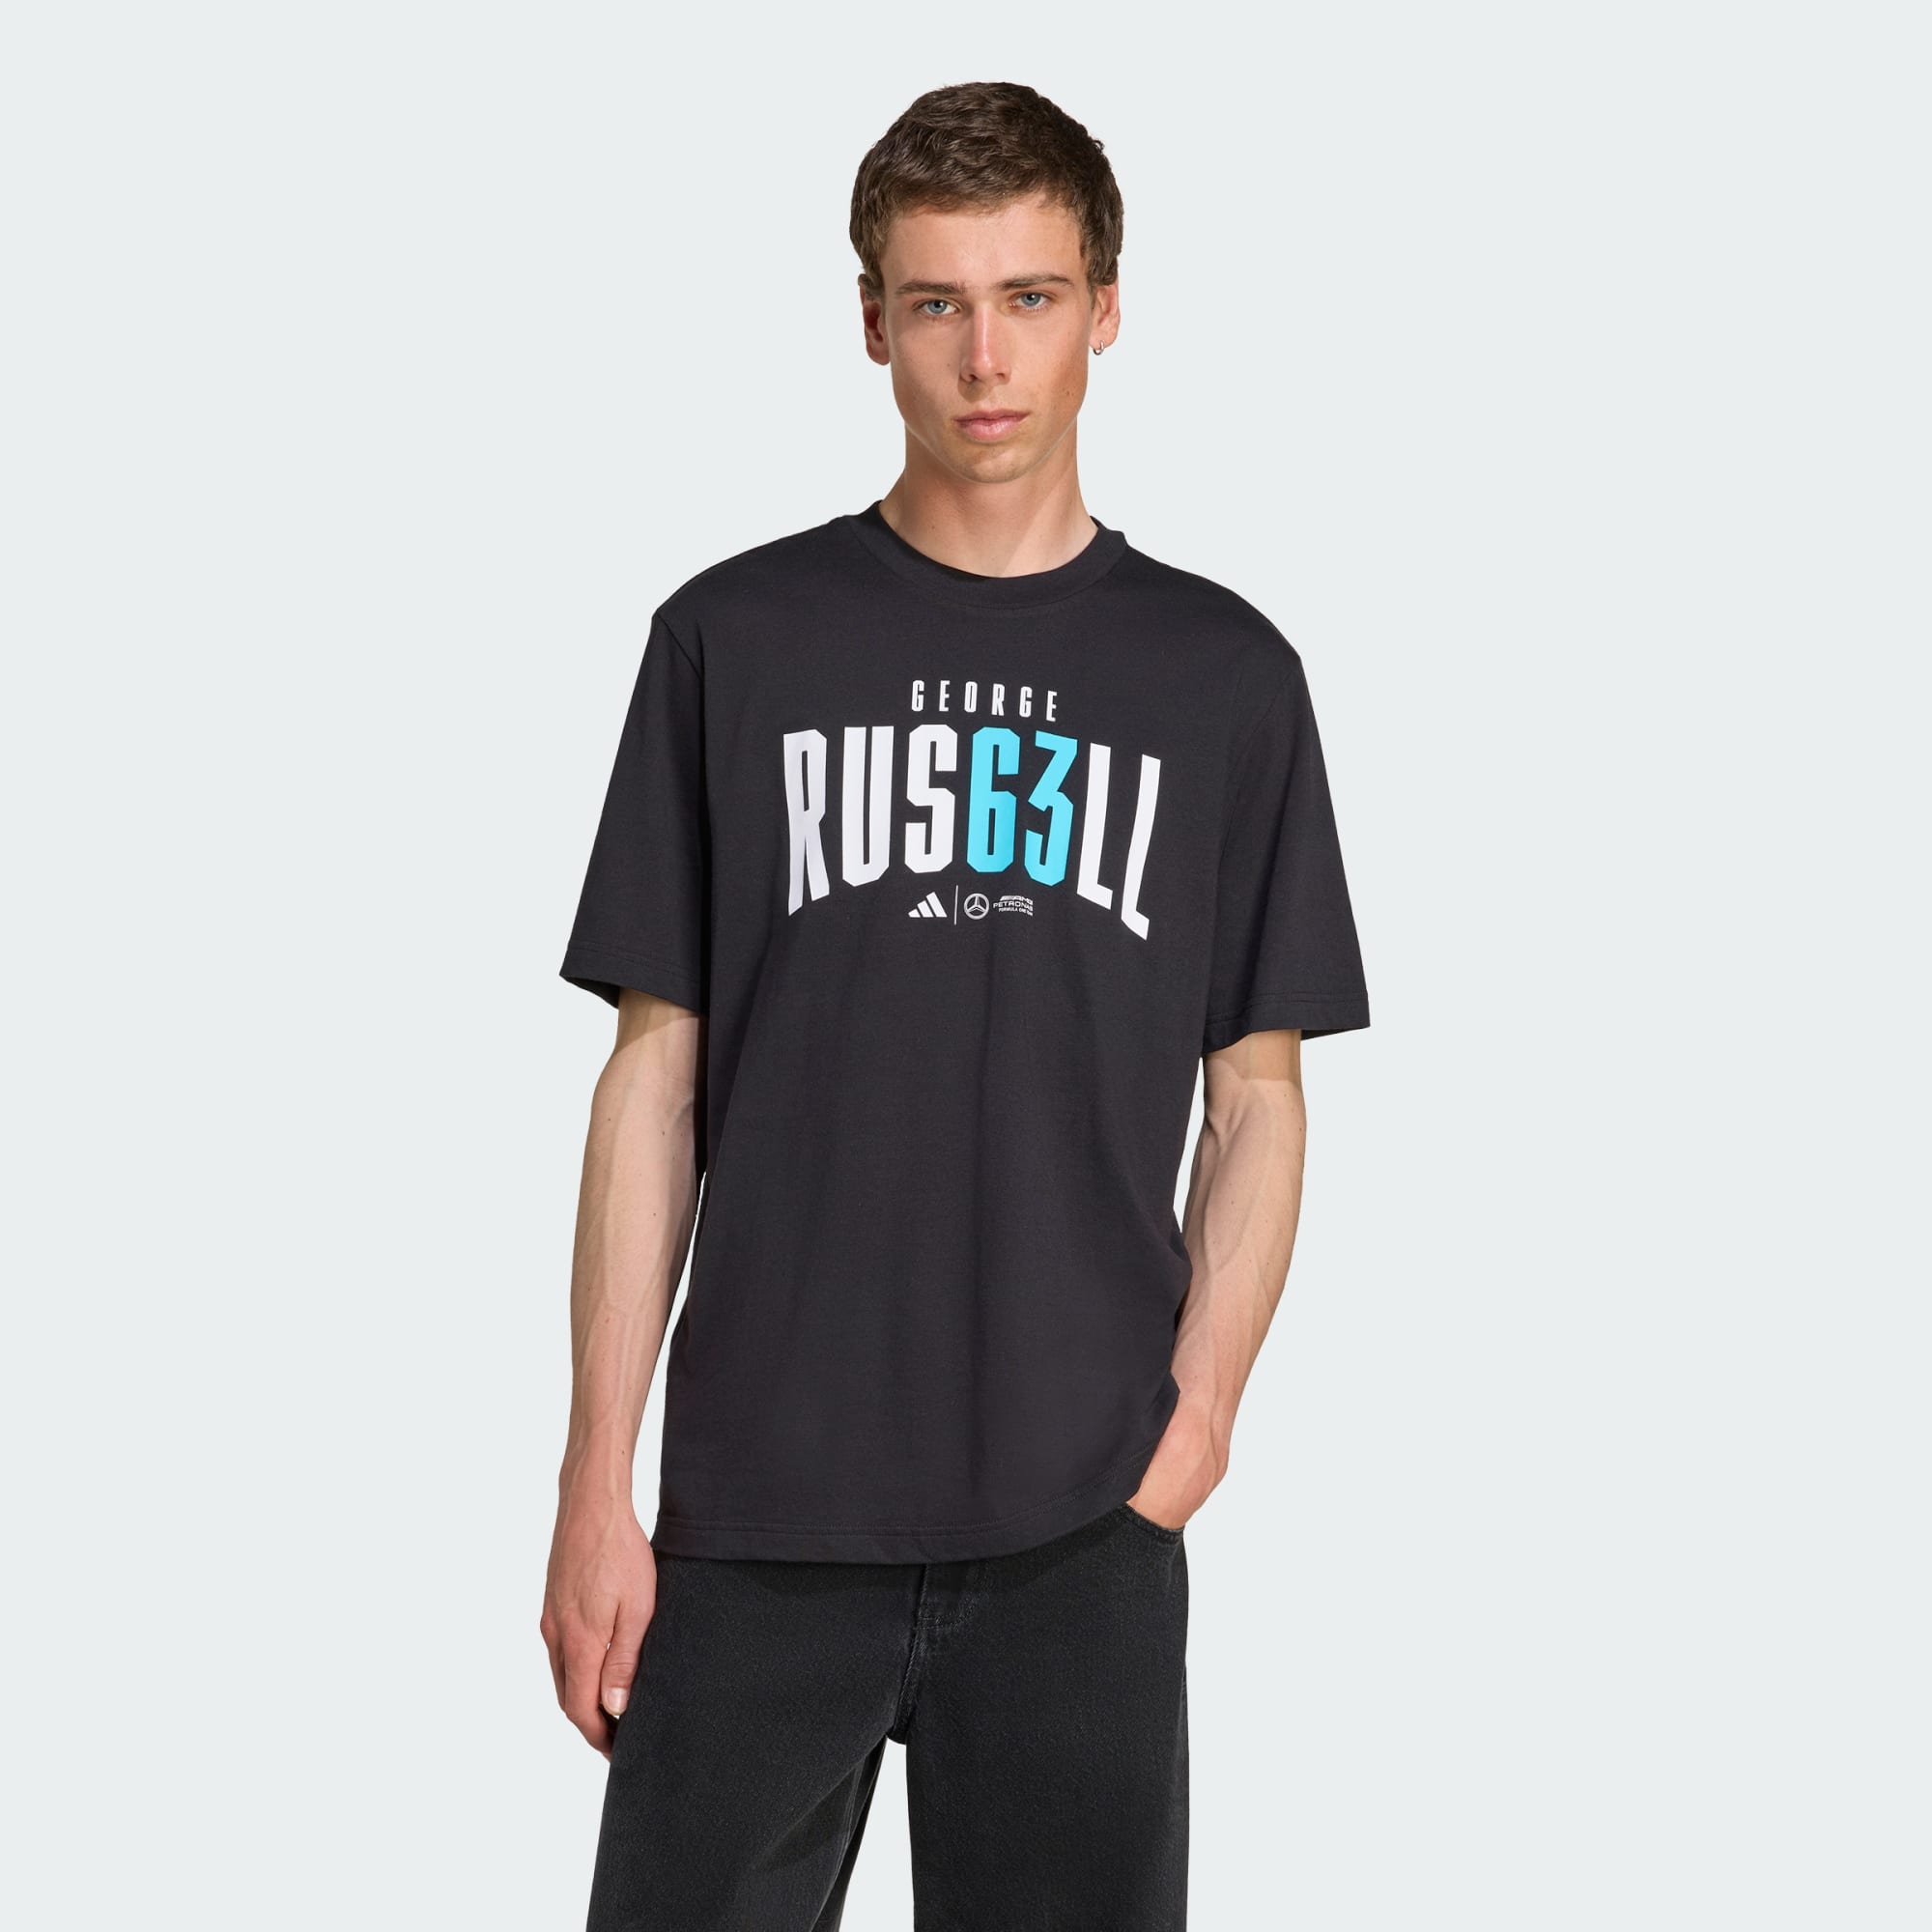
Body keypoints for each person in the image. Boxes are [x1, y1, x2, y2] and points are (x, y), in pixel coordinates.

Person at [541, 78, 1371, 1931]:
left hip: (1083, 1518)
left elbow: (1258, 1093)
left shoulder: (1223, 674)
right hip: (761, 1512)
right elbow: (652, 1082)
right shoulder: (732, 642)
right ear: (871, 322)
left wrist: (1200, 1418)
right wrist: (599, 1480)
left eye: (1030, 298)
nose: (985, 358)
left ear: (1106, 309)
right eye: (936, 303)